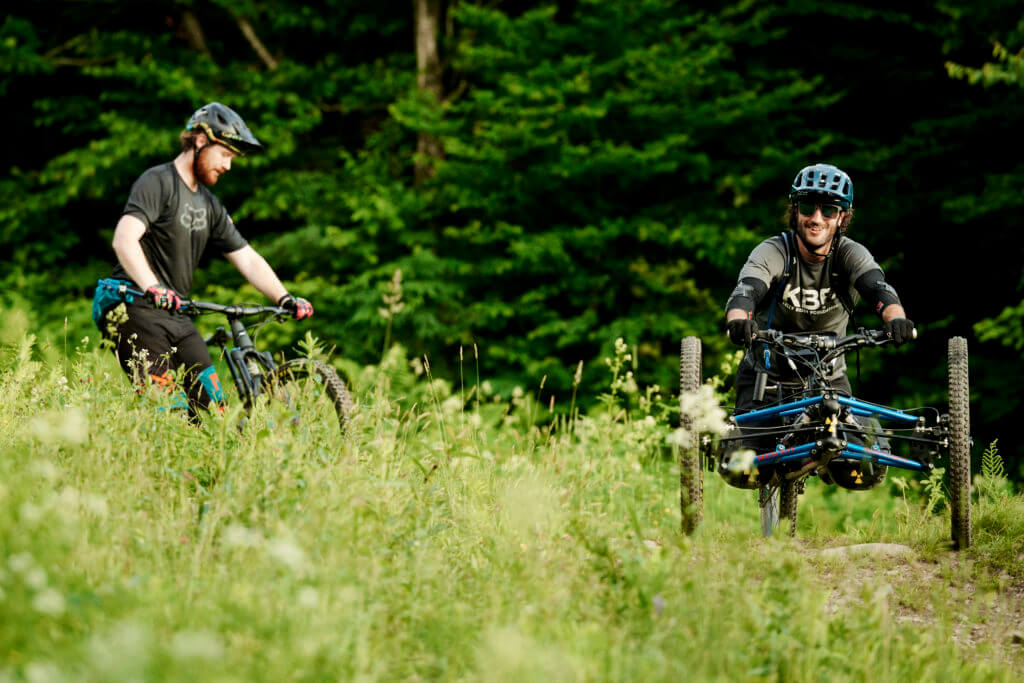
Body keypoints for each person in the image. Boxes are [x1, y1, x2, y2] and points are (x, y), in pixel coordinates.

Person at [92, 102, 313, 421]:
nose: (228, 166)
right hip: (136, 307)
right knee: (170, 414)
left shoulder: (209, 205)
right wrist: (153, 287)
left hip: (177, 314)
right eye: (224, 154)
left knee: (216, 417)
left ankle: (206, 471)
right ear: (199, 140)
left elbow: (247, 259)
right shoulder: (158, 182)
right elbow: (124, 239)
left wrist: (284, 297)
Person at [721, 163, 915, 488]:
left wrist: (895, 320)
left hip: (829, 381)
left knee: (864, 471)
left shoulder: (850, 254)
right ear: (795, 210)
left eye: (829, 210)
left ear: (842, 217)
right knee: (744, 470)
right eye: (809, 207)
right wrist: (740, 322)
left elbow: (878, 289)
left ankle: (827, 460)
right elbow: (746, 291)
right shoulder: (774, 251)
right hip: (766, 383)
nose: (817, 218)